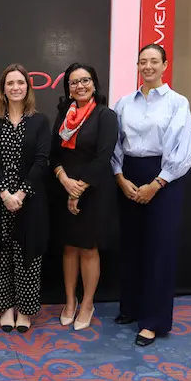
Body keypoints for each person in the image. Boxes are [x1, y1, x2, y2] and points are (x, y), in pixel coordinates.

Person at [112, 44, 191, 346]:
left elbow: (183, 151)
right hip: (129, 176)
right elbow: (116, 144)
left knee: (159, 249)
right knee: (132, 246)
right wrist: (120, 177)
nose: (148, 66)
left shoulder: (177, 103)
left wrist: (157, 183)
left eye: (154, 62)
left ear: (164, 65)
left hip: (164, 179)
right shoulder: (124, 103)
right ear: (137, 65)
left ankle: (153, 320)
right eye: (143, 62)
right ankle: (131, 307)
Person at [0, 63, 51, 333]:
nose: (15, 87)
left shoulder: (40, 121)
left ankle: (24, 309)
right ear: (3, 89)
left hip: (29, 199)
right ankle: (6, 308)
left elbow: (41, 160)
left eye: (20, 82)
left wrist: (20, 194)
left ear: (28, 87)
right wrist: (4, 194)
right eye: (10, 83)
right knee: (0, 254)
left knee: (27, 254)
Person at [50, 63, 119, 331]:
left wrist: (78, 189)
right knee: (69, 246)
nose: (80, 86)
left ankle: (88, 303)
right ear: (68, 88)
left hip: (94, 190)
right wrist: (64, 181)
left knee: (88, 248)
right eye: (74, 82)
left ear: (94, 84)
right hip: (63, 185)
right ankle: (70, 301)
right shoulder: (62, 115)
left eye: (85, 80)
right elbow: (54, 154)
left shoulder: (106, 116)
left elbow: (104, 156)